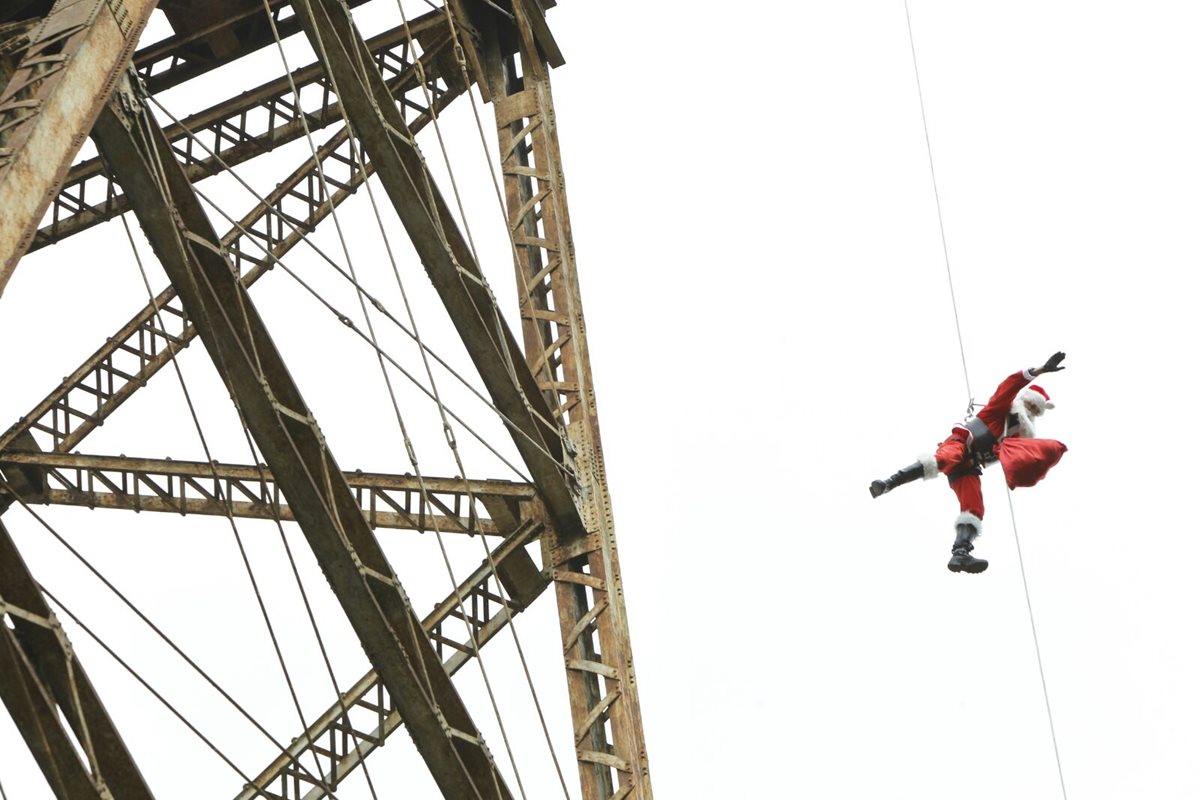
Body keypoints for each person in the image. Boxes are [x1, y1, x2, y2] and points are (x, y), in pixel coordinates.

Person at [869, 352, 1068, 573]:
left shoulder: (1015, 439)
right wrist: (1039, 370)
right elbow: (1010, 384)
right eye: (1030, 406)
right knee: (945, 459)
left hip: (970, 466)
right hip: (962, 443)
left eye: (1035, 411)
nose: (1030, 412)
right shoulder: (1000, 408)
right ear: (1024, 402)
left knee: (974, 507)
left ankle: (960, 553)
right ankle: (889, 483)